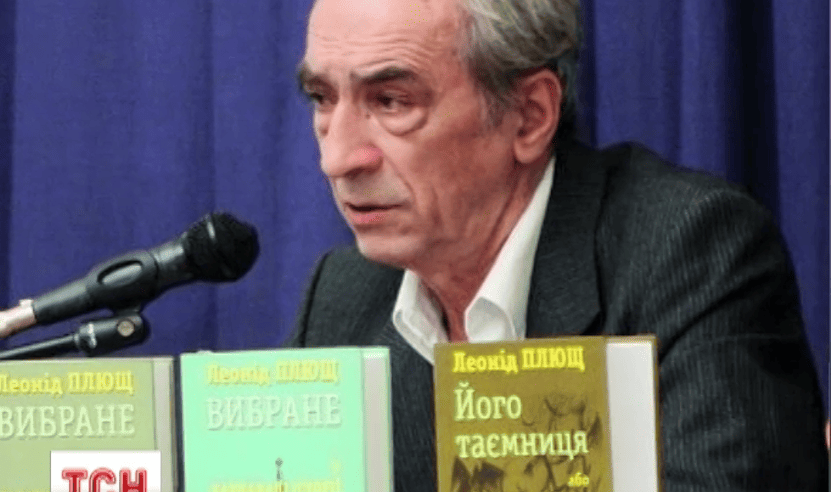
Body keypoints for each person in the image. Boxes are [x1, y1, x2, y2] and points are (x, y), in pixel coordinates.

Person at [287, 0, 829, 490]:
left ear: (530, 116)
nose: (337, 160)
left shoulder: (687, 254)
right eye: (322, 99)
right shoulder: (342, 298)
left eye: (391, 102)